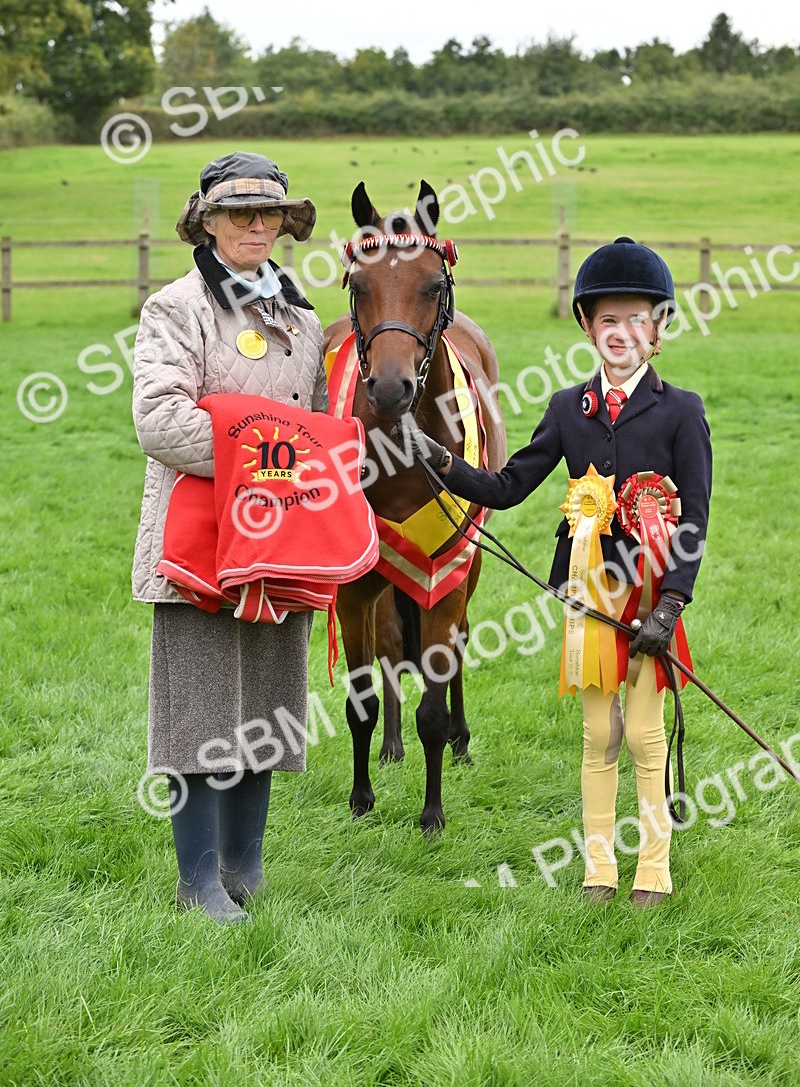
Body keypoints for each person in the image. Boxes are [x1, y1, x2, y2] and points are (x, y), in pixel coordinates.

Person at [402, 237, 712, 907]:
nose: (620, 333)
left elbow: (695, 519)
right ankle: (599, 868)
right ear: (586, 327)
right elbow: (510, 485)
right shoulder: (568, 409)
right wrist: (442, 462)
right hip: (589, 592)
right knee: (599, 733)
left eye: (636, 320)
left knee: (645, 734)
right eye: (607, 321)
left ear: (657, 330)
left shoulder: (683, 412)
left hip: (652, 594)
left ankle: (652, 870)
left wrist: (671, 607)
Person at [132, 151, 328, 924]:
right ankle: (198, 882)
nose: (256, 224)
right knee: (204, 711)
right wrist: (274, 458)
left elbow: (318, 422)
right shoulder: (173, 308)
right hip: (199, 542)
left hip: (281, 542)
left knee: (269, 705)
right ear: (206, 221)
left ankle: (246, 869)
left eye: (269, 213)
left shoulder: (302, 317)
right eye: (239, 211)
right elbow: (162, 422)